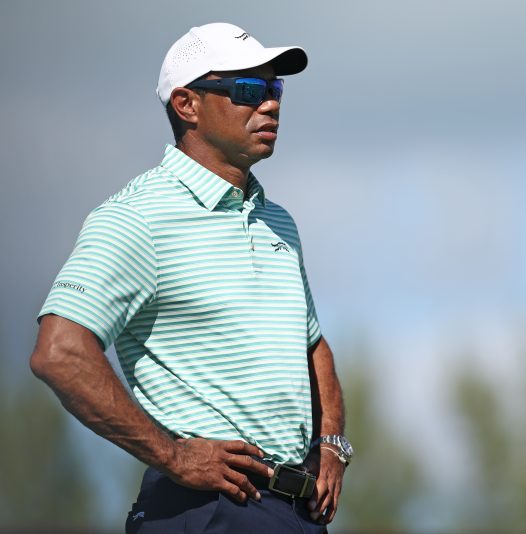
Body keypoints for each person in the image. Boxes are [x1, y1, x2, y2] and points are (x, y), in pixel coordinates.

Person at [29, 22, 353, 533]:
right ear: (187, 105)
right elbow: (60, 351)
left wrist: (331, 444)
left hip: (293, 514)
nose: (270, 105)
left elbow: (312, 346)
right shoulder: (136, 217)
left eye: (275, 89)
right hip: (202, 509)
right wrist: (174, 456)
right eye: (248, 90)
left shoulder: (278, 222)